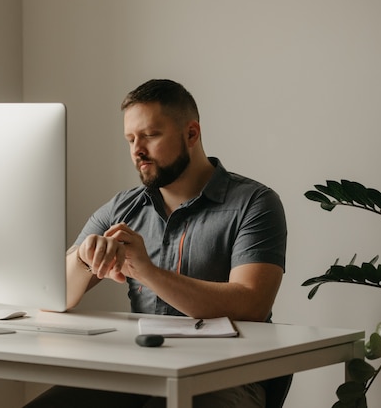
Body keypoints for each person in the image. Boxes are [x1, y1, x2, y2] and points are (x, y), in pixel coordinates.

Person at [24, 79, 287, 408]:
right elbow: (51, 295)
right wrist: (84, 259)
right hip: (139, 370)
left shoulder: (255, 203)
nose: (137, 150)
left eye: (149, 135)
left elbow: (252, 305)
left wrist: (146, 271)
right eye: (130, 139)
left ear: (191, 134)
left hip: (225, 376)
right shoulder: (122, 208)